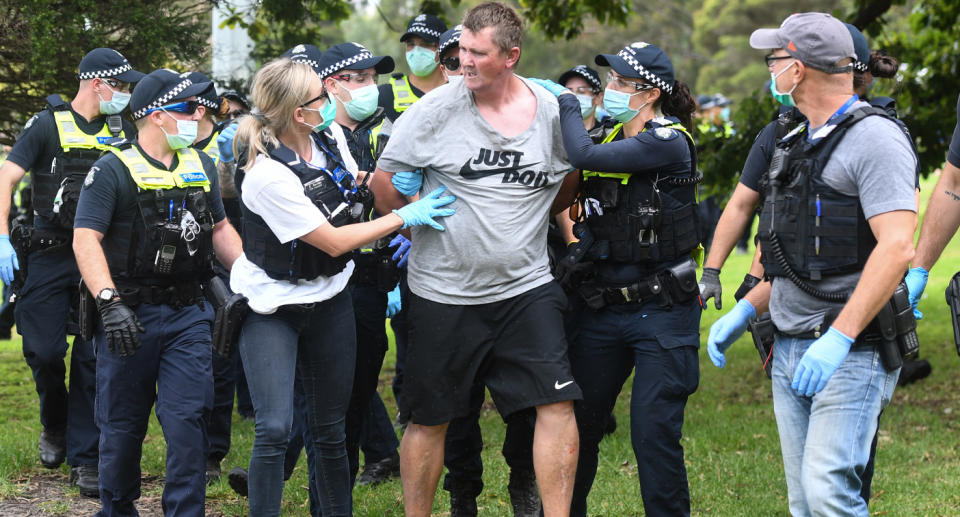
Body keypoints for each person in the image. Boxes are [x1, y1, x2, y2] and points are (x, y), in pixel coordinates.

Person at [371, 3, 581, 516]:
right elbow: (383, 185)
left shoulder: (550, 113)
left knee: (556, 403)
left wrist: (523, 224)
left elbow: (569, 179)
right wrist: (410, 216)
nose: (463, 62)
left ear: (511, 56)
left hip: (525, 288)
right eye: (461, 49)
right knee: (429, 418)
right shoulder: (433, 112)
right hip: (442, 292)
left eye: (477, 53)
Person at [707, 13, 917, 516]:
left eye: (774, 58)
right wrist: (747, 310)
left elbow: (897, 248)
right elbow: (794, 258)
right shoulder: (793, 141)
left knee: (828, 492)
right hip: (789, 345)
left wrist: (839, 338)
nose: (770, 68)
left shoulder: (875, 139)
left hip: (852, 349)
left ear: (797, 70)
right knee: (805, 502)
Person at [228, 56, 455, 516]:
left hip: (330, 297)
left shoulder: (327, 137)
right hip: (273, 305)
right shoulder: (266, 175)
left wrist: (394, 186)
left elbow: (350, 184)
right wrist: (402, 217)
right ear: (297, 111)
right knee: (274, 427)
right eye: (321, 95)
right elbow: (332, 241)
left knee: (330, 428)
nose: (331, 101)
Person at [533, 39, 702, 517]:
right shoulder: (610, 135)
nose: (608, 89)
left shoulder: (667, 140)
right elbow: (568, 191)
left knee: (652, 435)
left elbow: (581, 153)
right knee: (576, 426)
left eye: (619, 83)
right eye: (610, 80)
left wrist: (565, 101)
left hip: (663, 311)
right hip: (603, 306)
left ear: (649, 93)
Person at [72, 68, 242, 516]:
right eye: (190, 108)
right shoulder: (112, 169)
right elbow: (85, 238)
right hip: (129, 315)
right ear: (157, 115)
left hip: (189, 313)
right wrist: (109, 303)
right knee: (123, 428)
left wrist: (247, 276)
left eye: (201, 107)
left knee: (188, 421)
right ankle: (118, 508)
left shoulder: (201, 165)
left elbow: (220, 228)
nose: (199, 115)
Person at [0, 47, 143, 496]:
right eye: (120, 85)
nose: (125, 94)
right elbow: (6, 178)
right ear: (97, 83)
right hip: (48, 253)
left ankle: (86, 460)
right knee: (43, 352)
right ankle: (54, 423)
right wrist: (1, 237)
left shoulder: (124, 130)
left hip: (100, 256)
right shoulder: (47, 125)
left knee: (91, 358)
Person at [317, 40, 405, 486]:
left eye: (375, 77)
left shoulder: (389, 131)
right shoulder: (314, 137)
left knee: (362, 380)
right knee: (322, 384)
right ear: (333, 85)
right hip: (325, 274)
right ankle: (326, 477)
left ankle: (351, 472)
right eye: (363, 78)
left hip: (374, 273)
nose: (374, 86)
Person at [377, 13, 448, 123]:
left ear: (442, 47)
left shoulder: (458, 91)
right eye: (411, 44)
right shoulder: (386, 95)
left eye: (425, 43)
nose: (416, 51)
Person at [557, 65, 610, 137]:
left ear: (599, 98)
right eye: (568, 91)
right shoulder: (555, 133)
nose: (573, 96)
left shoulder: (608, 134)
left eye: (581, 91)